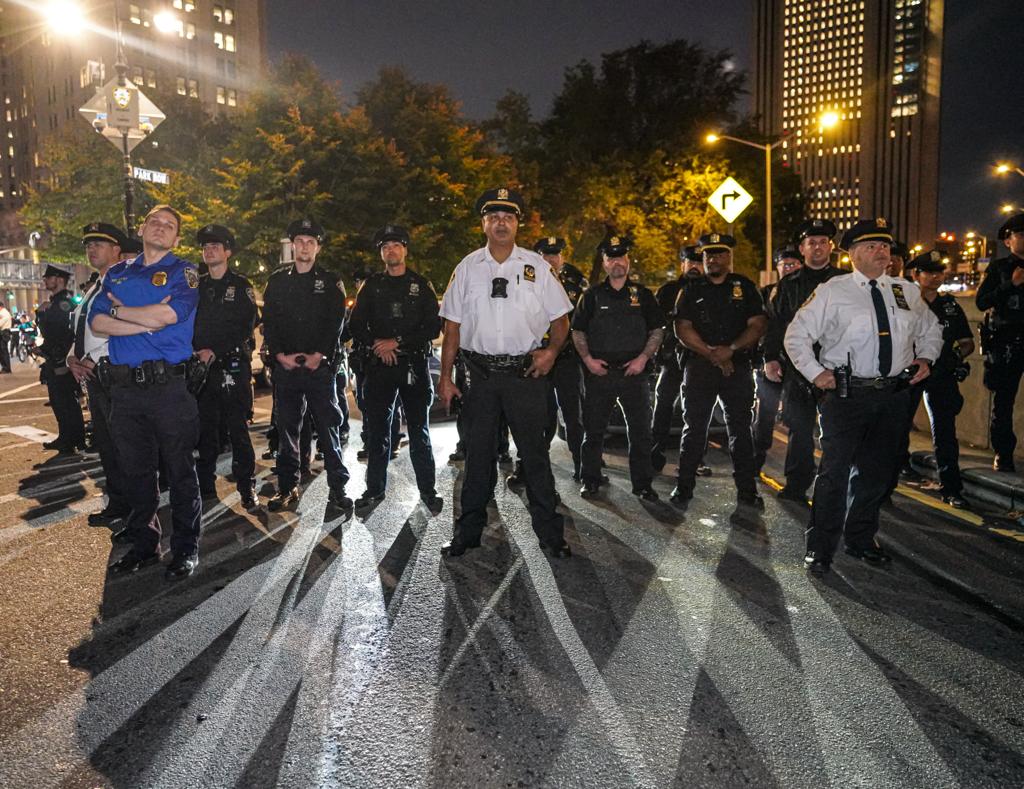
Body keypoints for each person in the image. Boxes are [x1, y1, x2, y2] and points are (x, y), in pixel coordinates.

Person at [785, 218, 942, 576]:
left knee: (876, 473)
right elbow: (796, 336)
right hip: (847, 396)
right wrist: (816, 373)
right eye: (871, 246)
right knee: (834, 474)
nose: (881, 251)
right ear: (852, 254)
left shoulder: (906, 291)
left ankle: (860, 539)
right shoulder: (833, 290)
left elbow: (932, 330)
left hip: (892, 396)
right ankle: (821, 547)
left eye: (885, 245)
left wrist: (925, 357)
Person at [437, 187, 572, 558]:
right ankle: (468, 534)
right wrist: (446, 377)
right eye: (493, 217)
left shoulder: (537, 267)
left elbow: (561, 321)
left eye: (508, 217)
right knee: (477, 459)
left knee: (535, 458)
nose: (501, 223)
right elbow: (452, 328)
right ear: (483, 223)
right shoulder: (466, 268)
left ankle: (550, 535)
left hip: (524, 375)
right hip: (479, 377)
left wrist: (551, 353)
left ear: (517, 224)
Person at [88, 205, 203, 579]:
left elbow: (169, 317)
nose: (161, 228)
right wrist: (145, 318)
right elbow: (99, 321)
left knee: (180, 470)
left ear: (176, 238)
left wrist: (124, 313)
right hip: (125, 391)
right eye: (155, 221)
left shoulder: (181, 271)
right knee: (136, 473)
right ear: (141, 228)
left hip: (168, 388)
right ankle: (145, 545)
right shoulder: (117, 273)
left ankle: (185, 547)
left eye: (169, 225)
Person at [349, 224, 442, 513]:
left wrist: (397, 344)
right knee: (377, 434)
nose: (391, 250)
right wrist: (379, 344)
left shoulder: (421, 284)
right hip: (379, 368)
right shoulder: (372, 286)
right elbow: (354, 325)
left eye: (396, 245)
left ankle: (428, 490)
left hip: (412, 366)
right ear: (381, 253)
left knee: (419, 433)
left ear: (405, 250)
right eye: (385, 246)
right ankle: (374, 490)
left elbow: (432, 326)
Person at [261, 218, 351, 512]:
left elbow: (336, 322)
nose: (304, 247)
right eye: (300, 241)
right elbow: (270, 323)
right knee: (286, 431)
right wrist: (279, 356)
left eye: (310, 242)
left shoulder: (330, 280)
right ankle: (287, 488)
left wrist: (320, 355)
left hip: (319, 368)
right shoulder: (277, 281)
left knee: (328, 430)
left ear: (317, 247)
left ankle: (338, 489)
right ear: (292, 246)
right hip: (286, 368)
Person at [672, 233, 767, 508]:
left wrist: (732, 350)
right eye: (708, 255)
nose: (713, 259)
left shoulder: (745, 287)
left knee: (740, 430)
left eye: (719, 254)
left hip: (737, 367)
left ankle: (747, 491)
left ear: (729, 257)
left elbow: (758, 324)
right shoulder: (691, 289)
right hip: (701, 365)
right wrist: (713, 354)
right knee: (694, 429)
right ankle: (684, 488)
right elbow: (682, 328)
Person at [573, 235, 664, 500]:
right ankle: (590, 480)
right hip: (600, 374)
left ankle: (643, 485)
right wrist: (589, 360)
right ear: (604, 263)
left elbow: (657, 330)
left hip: (633, 373)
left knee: (640, 434)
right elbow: (578, 331)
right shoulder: (591, 296)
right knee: (594, 432)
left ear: (628, 260)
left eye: (621, 257)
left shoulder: (643, 295)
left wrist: (643, 358)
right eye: (611, 258)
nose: (617, 262)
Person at [763, 218, 844, 505]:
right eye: (812, 243)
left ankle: (833, 487)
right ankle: (796, 484)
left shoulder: (845, 282)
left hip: (837, 368)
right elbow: (775, 324)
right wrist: (770, 358)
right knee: (799, 429)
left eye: (823, 242)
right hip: (798, 368)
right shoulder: (788, 285)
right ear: (802, 248)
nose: (818, 247)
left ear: (831, 247)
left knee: (836, 432)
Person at [506, 236, 587, 484]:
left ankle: (583, 466)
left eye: (555, 254)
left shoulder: (575, 283)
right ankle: (527, 467)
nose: (551, 259)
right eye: (546, 254)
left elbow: (583, 322)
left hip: (566, 359)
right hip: (536, 359)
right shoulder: (525, 281)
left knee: (573, 415)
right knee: (535, 417)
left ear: (562, 257)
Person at [192, 224, 260, 509]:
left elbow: (247, 325)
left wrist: (214, 350)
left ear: (227, 252)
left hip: (232, 366)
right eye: (206, 247)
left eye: (215, 247)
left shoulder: (241, 285)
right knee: (205, 431)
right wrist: (196, 351)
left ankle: (247, 488)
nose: (209, 251)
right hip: (203, 369)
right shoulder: (197, 286)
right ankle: (206, 488)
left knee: (237, 431)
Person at [67, 223, 131, 529]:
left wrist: (93, 358)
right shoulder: (95, 286)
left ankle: (137, 512)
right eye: (88, 245)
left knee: (125, 447)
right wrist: (72, 355)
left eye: (99, 244)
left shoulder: (126, 285)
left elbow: (131, 329)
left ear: (117, 249)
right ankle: (119, 503)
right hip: (96, 378)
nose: (92, 250)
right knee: (107, 445)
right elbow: (83, 327)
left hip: (116, 375)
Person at [898, 250, 973, 508]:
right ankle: (888, 482)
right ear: (915, 275)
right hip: (908, 373)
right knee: (897, 427)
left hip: (940, 373)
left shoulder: (950, 305)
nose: (936, 277)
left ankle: (951, 488)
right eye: (929, 272)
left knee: (944, 432)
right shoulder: (903, 303)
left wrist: (955, 355)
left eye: (939, 272)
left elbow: (967, 342)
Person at [651, 244, 706, 473]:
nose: (694, 266)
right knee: (663, 404)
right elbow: (655, 324)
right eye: (689, 262)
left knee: (696, 410)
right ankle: (655, 453)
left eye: (698, 262)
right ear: (682, 264)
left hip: (699, 357)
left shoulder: (709, 289)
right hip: (672, 358)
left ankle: (696, 460)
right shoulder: (668, 291)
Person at [976, 212, 1024, 472]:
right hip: (1007, 342)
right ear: (1009, 241)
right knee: (1004, 401)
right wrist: (1011, 285)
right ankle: (1003, 453)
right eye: (1021, 235)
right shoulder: (1000, 268)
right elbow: (981, 302)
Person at [753, 247, 803, 473]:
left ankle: (794, 472)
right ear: (778, 268)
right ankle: (756, 459)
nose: (789, 268)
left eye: (793, 264)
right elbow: (762, 326)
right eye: (785, 265)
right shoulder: (767, 292)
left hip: (800, 362)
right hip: (772, 359)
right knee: (765, 413)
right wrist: (766, 357)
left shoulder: (808, 291)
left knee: (797, 417)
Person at [37, 263, 85, 453]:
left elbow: (62, 334)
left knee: (66, 402)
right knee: (60, 402)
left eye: (49, 278)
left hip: (62, 360)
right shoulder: (57, 302)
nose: (46, 281)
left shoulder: (63, 303)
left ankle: (73, 439)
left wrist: (58, 358)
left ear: (59, 280)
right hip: (57, 358)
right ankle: (67, 437)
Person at [0, 299, 11, 373]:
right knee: (2, 351)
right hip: (4, 333)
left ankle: (7, 368)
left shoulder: (4, 313)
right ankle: (5, 367)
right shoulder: (3, 313)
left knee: (3, 351)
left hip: (4, 333)